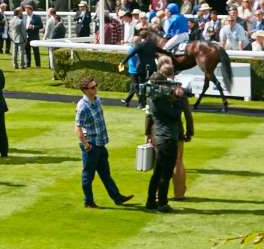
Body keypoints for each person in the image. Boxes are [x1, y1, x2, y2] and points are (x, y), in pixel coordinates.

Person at [140, 59, 190, 213]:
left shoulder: (154, 98)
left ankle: (151, 200)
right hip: (166, 138)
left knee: (158, 172)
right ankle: (162, 202)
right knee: (165, 173)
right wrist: (178, 101)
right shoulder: (160, 101)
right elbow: (174, 115)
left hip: (161, 137)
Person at [74, 78, 130, 208]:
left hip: (101, 144)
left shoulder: (97, 100)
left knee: (105, 174)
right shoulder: (82, 107)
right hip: (92, 145)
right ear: (85, 90)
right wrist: (86, 144)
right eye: (92, 87)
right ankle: (88, 201)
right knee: (88, 176)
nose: (95, 89)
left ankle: (117, 197)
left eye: (95, 86)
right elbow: (77, 127)